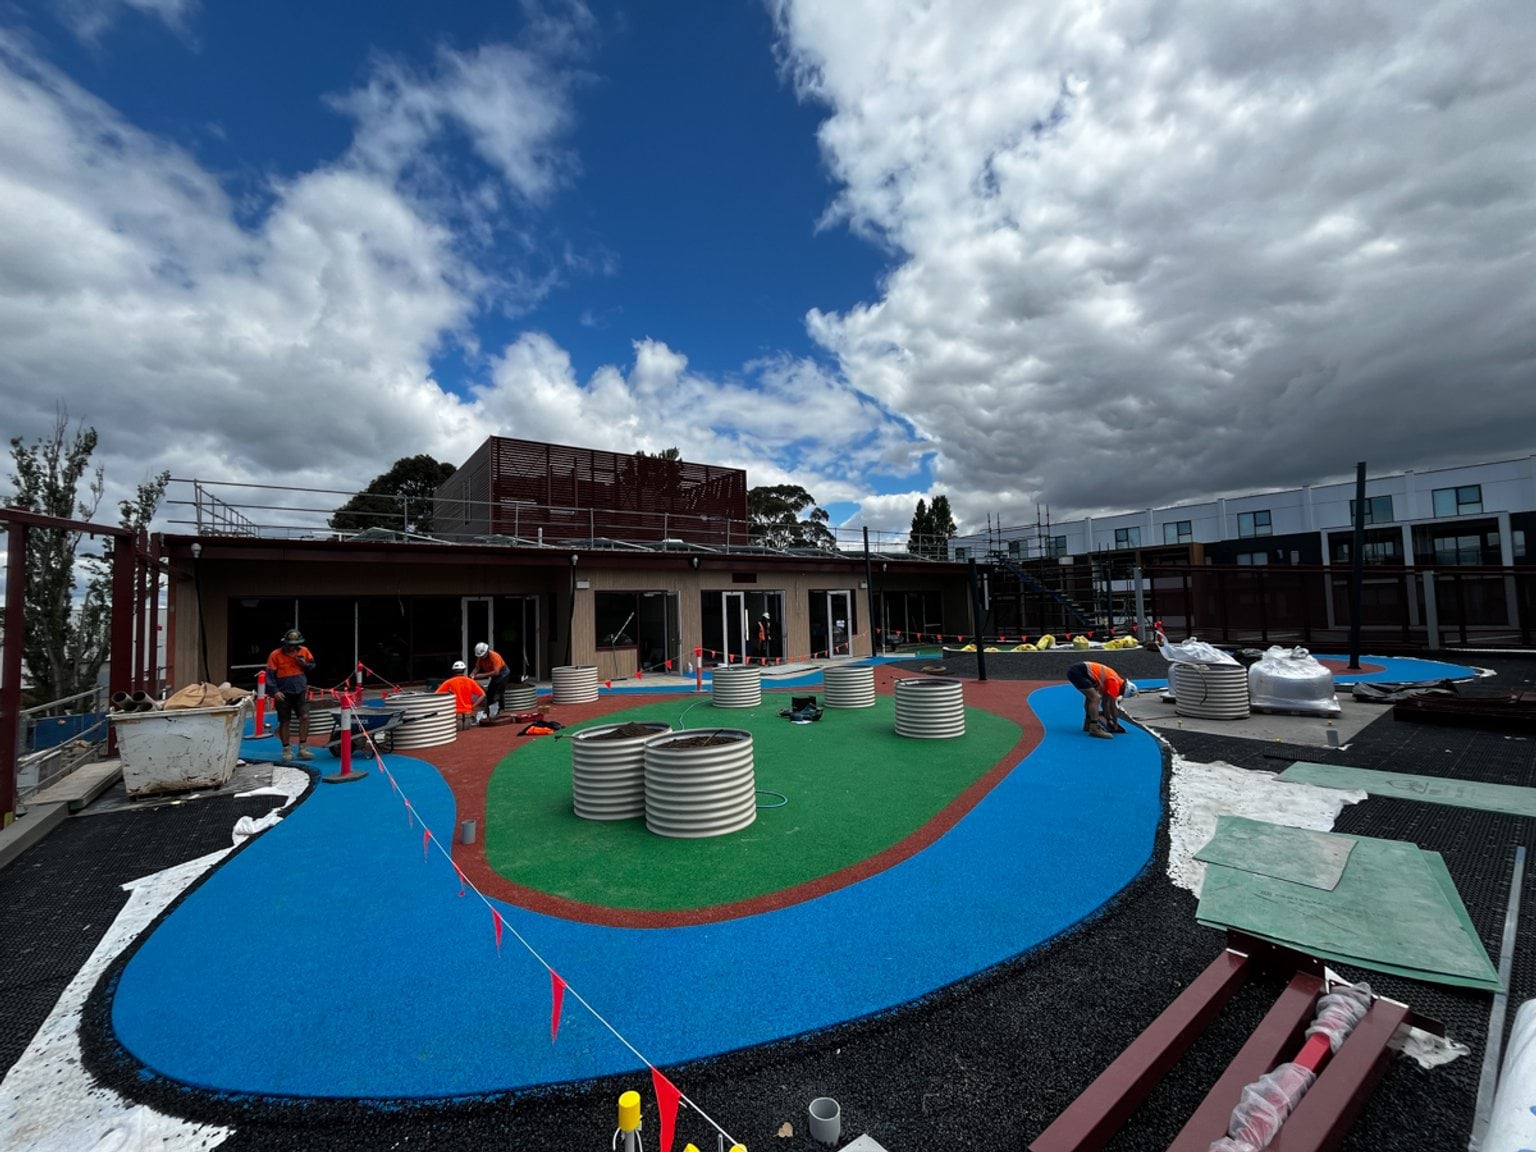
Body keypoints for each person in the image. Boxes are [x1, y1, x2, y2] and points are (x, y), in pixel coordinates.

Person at [266, 628, 316, 761]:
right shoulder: (275, 655)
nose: (293, 647)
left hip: (300, 690)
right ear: (285, 643)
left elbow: (313, 666)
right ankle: (286, 748)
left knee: (305, 717)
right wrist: (275, 691)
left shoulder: (304, 651)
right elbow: (269, 675)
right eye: (290, 645)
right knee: (284, 721)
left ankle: (303, 747)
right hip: (283, 692)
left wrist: (304, 664)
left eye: (295, 645)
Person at [1066, 660, 1139, 739]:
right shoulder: (1115, 683)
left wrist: (1109, 719)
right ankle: (1094, 728)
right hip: (1078, 672)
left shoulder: (1115, 681)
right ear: (1124, 689)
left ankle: (1088, 723)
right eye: (1121, 693)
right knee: (1095, 698)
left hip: (1078, 671)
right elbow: (1112, 706)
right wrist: (1115, 723)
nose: (1119, 694)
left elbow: (1105, 703)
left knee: (1090, 697)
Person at [436, 660, 486, 728]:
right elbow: (483, 695)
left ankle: (458, 718)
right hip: (468, 709)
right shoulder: (470, 681)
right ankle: (467, 717)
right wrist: (473, 706)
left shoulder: (448, 682)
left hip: (454, 710)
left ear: (453, 671)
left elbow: (436, 695)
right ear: (464, 670)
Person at [473, 642, 512, 716]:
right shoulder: (480, 658)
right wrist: (473, 673)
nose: (481, 657)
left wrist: (481, 676)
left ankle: (501, 709)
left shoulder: (494, 656)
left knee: (498, 692)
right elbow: (477, 668)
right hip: (494, 675)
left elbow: (496, 672)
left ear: (487, 651)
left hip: (503, 673)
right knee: (489, 692)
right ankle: (488, 710)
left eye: (482, 655)